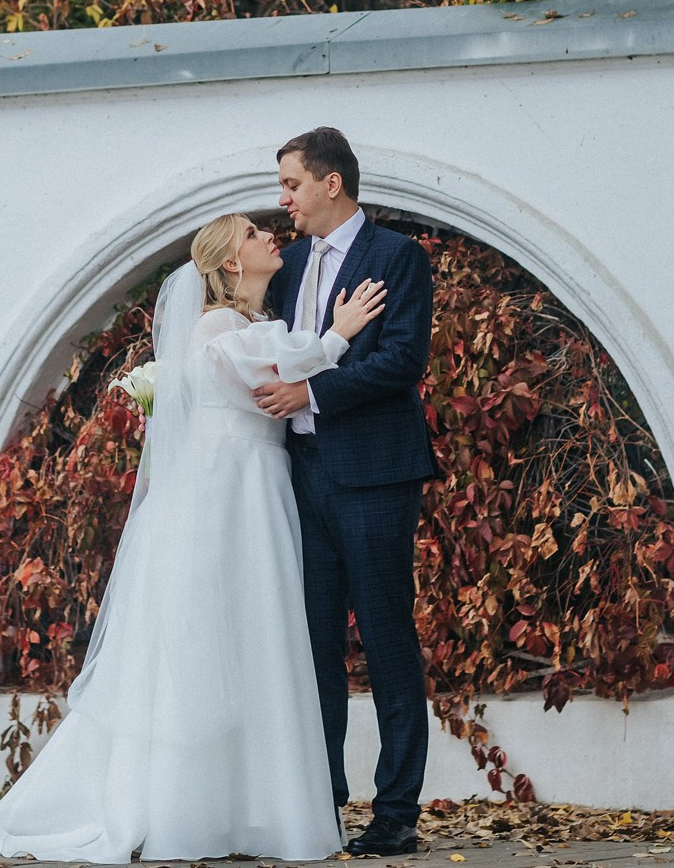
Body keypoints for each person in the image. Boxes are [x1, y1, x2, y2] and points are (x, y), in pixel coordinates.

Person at [0, 212, 389, 863]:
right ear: (232, 264)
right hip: (227, 499)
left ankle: (240, 810)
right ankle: (197, 809)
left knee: (250, 644)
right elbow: (278, 369)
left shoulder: (238, 325)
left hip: (251, 491)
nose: (271, 237)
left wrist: (324, 343)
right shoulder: (221, 326)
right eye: (252, 235)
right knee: (216, 646)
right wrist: (337, 337)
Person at [254, 127, 437, 857]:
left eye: (292, 183)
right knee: (314, 644)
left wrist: (311, 391)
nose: (284, 198)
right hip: (298, 477)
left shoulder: (397, 257)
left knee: (389, 639)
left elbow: (401, 360)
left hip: (375, 475)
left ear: (333, 182)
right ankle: (320, 801)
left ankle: (396, 811)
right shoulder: (290, 262)